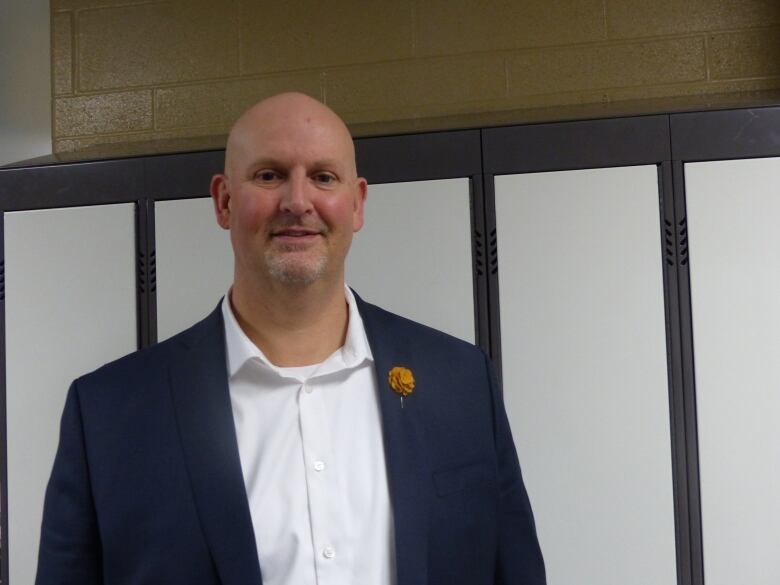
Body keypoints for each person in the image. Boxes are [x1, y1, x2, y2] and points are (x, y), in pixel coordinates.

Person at [36, 93, 546, 585]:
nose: (297, 201)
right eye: (269, 175)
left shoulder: (460, 383)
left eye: (323, 177)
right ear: (223, 201)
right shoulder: (108, 414)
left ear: (357, 204)